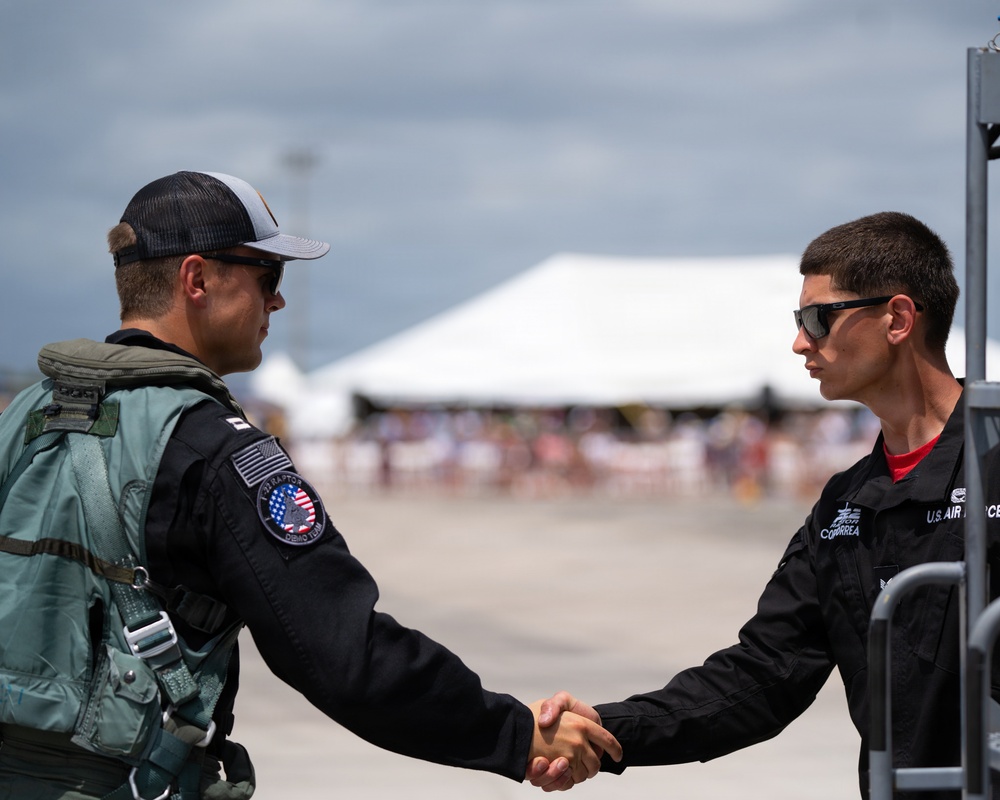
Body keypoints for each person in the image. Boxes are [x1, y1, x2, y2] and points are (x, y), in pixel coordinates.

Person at [0, 170, 620, 799]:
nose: (278, 302)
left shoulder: (27, 414)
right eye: (268, 277)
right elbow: (342, 653)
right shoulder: (213, 446)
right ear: (196, 280)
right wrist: (518, 735)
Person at [532, 211, 994, 798]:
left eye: (818, 318)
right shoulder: (842, 508)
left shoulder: (994, 469)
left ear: (898, 319)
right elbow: (764, 676)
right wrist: (604, 731)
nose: (800, 341)